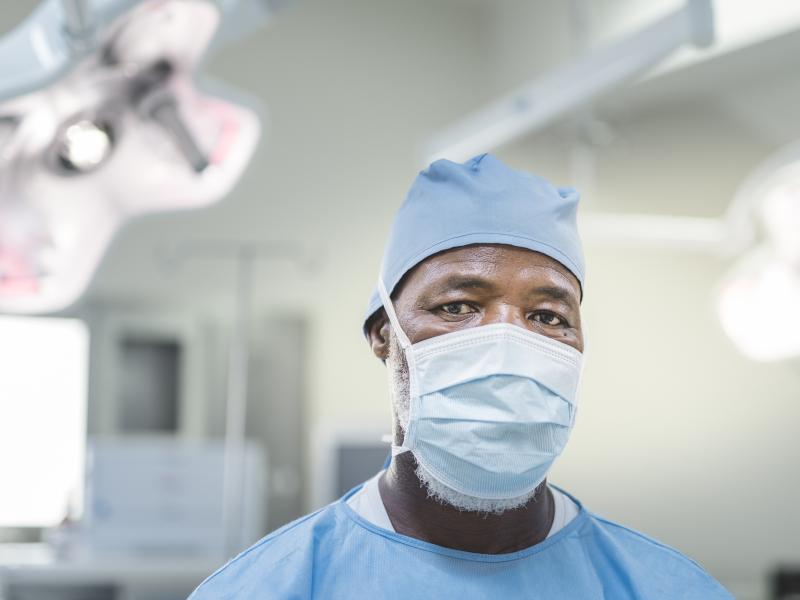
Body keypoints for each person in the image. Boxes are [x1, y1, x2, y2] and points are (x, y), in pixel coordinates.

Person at [189, 154, 732, 599]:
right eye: (457, 307)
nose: (506, 344)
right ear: (384, 334)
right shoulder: (271, 588)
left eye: (547, 317)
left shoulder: (666, 588)